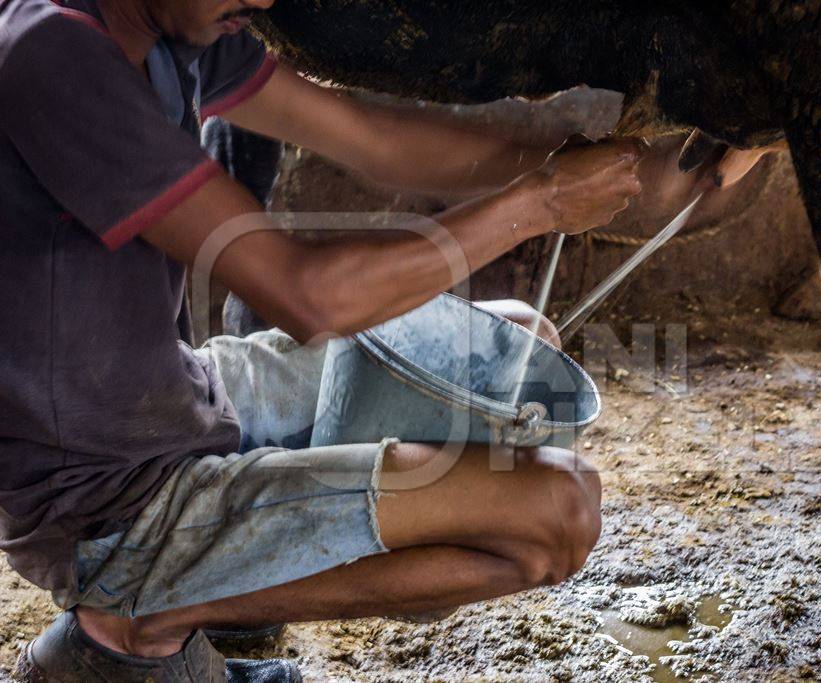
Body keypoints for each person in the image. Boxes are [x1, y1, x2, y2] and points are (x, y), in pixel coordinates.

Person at [0, 0, 775, 680]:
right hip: (99, 502)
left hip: (178, 395)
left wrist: (579, 166)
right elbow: (308, 295)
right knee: (560, 515)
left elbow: (377, 137)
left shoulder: (180, 31)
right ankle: (143, 611)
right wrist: (537, 202)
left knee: (517, 336)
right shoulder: (51, 55)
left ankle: (220, 568)